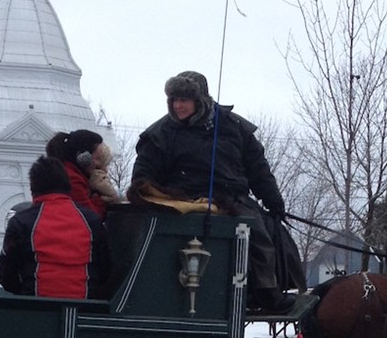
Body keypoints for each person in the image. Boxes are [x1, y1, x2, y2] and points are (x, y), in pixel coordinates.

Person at [128, 70, 299, 313]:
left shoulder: (234, 127)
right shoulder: (160, 133)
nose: (178, 106)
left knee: (267, 232)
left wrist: (274, 201)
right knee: (252, 230)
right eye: (174, 100)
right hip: (184, 198)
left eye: (184, 100)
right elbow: (143, 172)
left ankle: (263, 291)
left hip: (232, 198)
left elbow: (258, 168)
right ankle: (266, 293)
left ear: (200, 100)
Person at [0, 155, 111, 299]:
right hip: (84, 305)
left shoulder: (21, 222)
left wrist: (23, 290)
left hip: (34, 305)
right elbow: (104, 268)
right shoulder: (91, 220)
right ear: (67, 185)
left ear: (33, 188)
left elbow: (7, 274)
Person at [45, 130, 119, 218]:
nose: (99, 164)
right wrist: (100, 196)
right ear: (83, 158)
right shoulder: (73, 180)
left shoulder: (69, 173)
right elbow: (90, 217)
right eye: (98, 158)